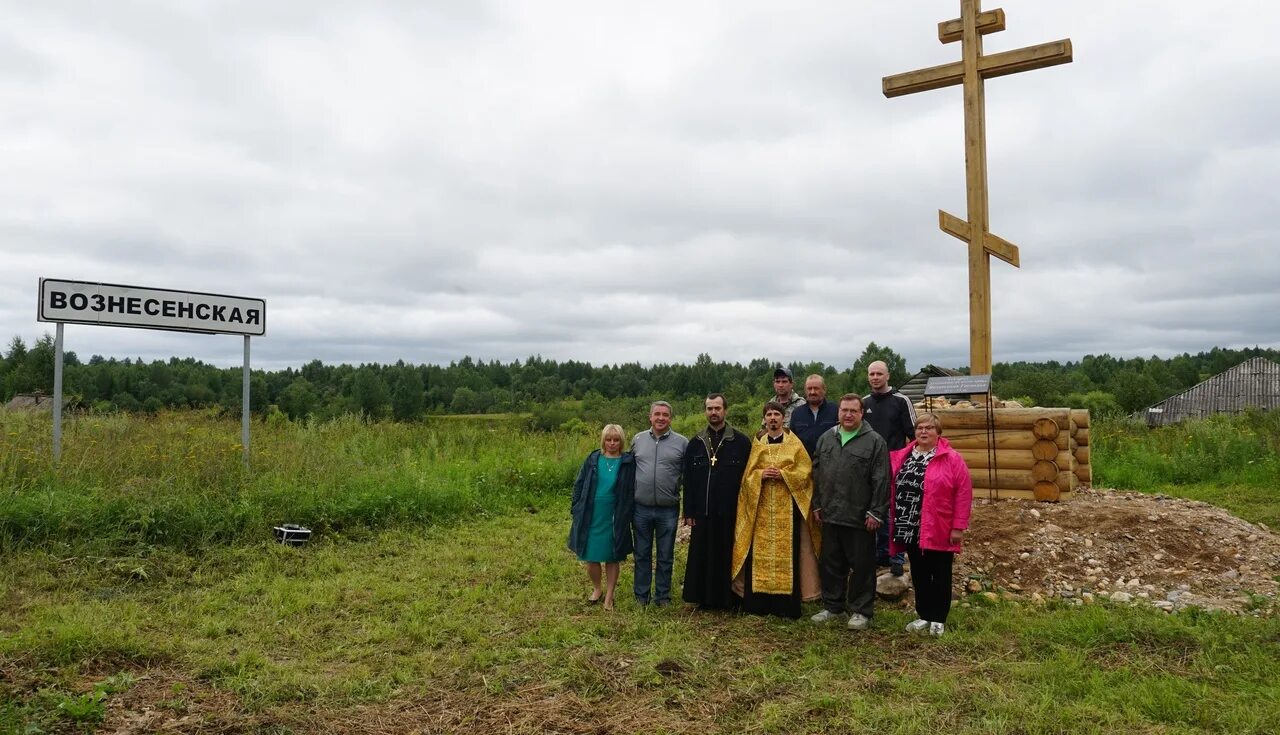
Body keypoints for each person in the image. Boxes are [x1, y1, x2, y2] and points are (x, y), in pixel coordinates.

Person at [731, 401, 822, 619]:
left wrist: (785, 475)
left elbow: (805, 473)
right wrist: (760, 476)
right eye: (769, 414)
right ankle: (758, 604)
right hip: (760, 510)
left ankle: (786, 606)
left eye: (776, 414)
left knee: (789, 554)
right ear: (764, 418)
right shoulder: (758, 444)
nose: (773, 418)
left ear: (783, 418)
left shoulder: (794, 444)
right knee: (758, 555)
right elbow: (746, 479)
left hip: (787, 511)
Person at [810, 394, 890, 630]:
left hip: (859, 516)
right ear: (838, 412)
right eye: (844, 410)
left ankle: (861, 610)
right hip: (831, 513)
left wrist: (876, 512)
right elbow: (816, 474)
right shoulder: (827, 438)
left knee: (862, 566)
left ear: (861, 413)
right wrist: (817, 504)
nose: (848, 414)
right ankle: (832, 606)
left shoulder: (874, 442)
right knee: (831, 562)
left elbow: (882, 479)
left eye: (853, 411)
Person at [889, 413, 973, 637]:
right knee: (919, 572)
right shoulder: (904, 455)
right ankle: (923, 614)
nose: (923, 432)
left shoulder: (952, 458)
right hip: (909, 524)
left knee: (941, 572)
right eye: (919, 428)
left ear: (938, 433)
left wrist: (958, 526)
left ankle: (938, 617)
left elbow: (963, 494)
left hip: (939, 525)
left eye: (929, 428)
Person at [681, 393, 752, 610]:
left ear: (725, 410)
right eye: (710, 408)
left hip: (730, 511)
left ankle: (730, 599)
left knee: (727, 555)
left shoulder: (740, 442)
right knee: (703, 555)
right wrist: (689, 511)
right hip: (703, 512)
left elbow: (748, 479)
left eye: (717, 408)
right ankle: (704, 598)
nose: (714, 412)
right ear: (705, 411)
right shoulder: (695, 443)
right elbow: (688, 480)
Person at [568, 424, 636, 611]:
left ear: (621, 441)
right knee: (591, 556)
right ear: (603, 440)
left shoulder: (628, 462)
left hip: (615, 514)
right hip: (592, 512)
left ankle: (610, 595)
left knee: (612, 555)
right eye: (609, 439)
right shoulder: (592, 459)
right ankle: (597, 588)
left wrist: (628, 511)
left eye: (616, 440)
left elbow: (631, 489)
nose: (612, 443)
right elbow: (579, 484)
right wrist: (576, 507)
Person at [632, 401, 688, 607]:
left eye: (665, 415)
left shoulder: (682, 443)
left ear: (670, 418)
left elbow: (688, 475)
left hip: (668, 509)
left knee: (665, 555)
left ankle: (662, 596)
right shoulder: (637, 440)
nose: (661, 418)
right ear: (650, 417)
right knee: (641, 553)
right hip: (641, 508)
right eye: (657, 414)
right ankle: (641, 595)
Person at [863, 360, 916, 576]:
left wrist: (909, 463)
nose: (875, 377)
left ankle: (896, 557)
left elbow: (914, 435)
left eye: (879, 374)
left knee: (894, 510)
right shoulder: (864, 402)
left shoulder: (901, 401)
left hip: (895, 462)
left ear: (888, 376)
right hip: (868, 465)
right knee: (874, 509)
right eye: (871, 374)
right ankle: (880, 553)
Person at [789, 374, 839, 457]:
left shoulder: (835, 411)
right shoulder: (797, 413)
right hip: (804, 464)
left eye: (816, 388)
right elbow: (791, 441)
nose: (812, 392)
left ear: (824, 390)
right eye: (809, 388)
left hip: (829, 463)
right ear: (805, 390)